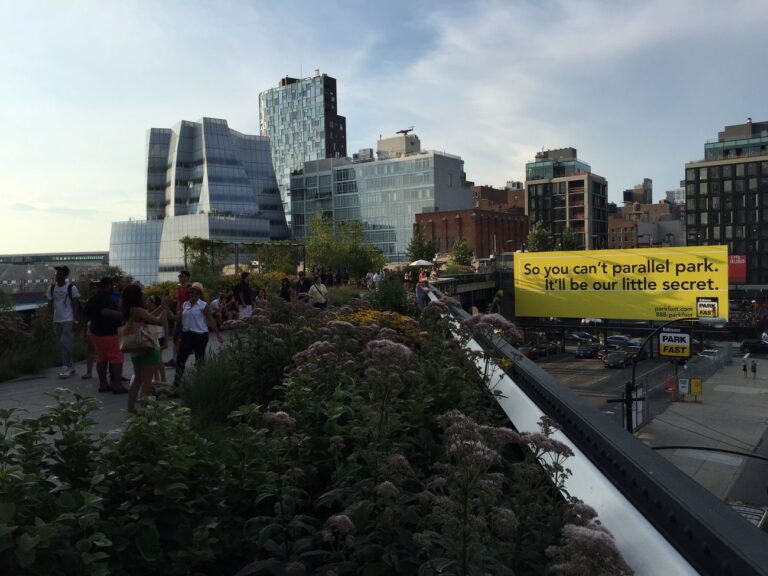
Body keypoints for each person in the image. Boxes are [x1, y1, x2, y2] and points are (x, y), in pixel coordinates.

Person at [121, 283, 166, 414]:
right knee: (147, 380)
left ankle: (131, 408)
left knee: (138, 379)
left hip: (136, 349)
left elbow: (148, 316)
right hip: (147, 348)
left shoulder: (129, 310)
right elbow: (158, 321)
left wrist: (160, 308)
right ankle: (145, 409)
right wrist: (164, 308)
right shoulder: (138, 310)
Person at [174, 282, 223, 386]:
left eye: (195, 293)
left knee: (199, 360)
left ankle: (201, 383)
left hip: (200, 335)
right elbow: (179, 319)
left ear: (200, 294)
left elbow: (211, 321)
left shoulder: (204, 305)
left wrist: (218, 334)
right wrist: (174, 316)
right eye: (191, 292)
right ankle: (176, 384)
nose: (192, 294)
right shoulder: (185, 304)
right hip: (187, 335)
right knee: (180, 359)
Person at [83, 277, 127, 394]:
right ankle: (117, 385)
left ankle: (103, 384)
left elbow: (86, 312)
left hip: (96, 333)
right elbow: (105, 312)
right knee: (116, 358)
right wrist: (122, 315)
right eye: (112, 285)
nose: (113, 288)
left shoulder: (93, 298)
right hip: (109, 333)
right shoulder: (105, 297)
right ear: (108, 285)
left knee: (101, 359)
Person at [47, 265, 80, 379]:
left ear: (65, 276)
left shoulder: (71, 288)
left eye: (61, 274)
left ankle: (65, 367)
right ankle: (71, 366)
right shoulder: (52, 288)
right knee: (63, 344)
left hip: (68, 319)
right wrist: (48, 316)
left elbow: (76, 304)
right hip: (57, 320)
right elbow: (50, 304)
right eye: (57, 274)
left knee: (64, 342)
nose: (58, 276)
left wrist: (75, 319)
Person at [166, 270, 191, 368]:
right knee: (176, 338)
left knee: (181, 339)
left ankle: (179, 359)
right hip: (180, 315)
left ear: (187, 277)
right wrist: (177, 312)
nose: (180, 278)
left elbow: (189, 303)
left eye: (182, 276)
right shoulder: (179, 288)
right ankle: (174, 359)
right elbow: (179, 302)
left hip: (186, 315)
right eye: (179, 276)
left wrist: (180, 314)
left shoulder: (190, 288)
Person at [81, 280, 99, 380]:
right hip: (91, 325)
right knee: (91, 349)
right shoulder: (90, 301)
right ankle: (89, 371)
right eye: (92, 288)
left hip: (102, 327)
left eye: (96, 288)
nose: (94, 290)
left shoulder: (103, 299)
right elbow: (86, 316)